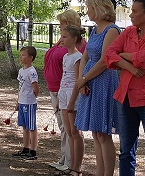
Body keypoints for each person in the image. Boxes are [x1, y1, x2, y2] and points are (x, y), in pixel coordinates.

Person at [105, 0, 145, 176]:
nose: (131, 14)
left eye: (134, 11)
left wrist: (124, 55)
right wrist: (130, 67)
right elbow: (109, 54)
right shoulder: (128, 32)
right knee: (126, 150)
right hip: (125, 97)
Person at [73, 0, 120, 176]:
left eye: (90, 8)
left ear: (100, 8)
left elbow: (104, 61)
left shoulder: (112, 30)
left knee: (103, 133)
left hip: (104, 80)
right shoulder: (95, 30)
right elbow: (85, 56)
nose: (87, 11)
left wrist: (83, 79)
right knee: (95, 132)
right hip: (89, 78)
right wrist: (81, 80)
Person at [46, 9, 87, 172]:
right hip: (59, 89)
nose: (60, 27)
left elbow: (78, 74)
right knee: (64, 128)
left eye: (63, 23)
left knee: (71, 129)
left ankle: (72, 163)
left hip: (69, 92)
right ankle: (65, 158)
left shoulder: (78, 48)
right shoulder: (63, 43)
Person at [57, 25, 85, 176]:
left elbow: (77, 80)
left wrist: (72, 101)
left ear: (74, 39)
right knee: (69, 132)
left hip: (72, 95)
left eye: (65, 36)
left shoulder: (77, 57)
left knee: (75, 132)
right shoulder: (65, 56)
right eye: (62, 36)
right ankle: (71, 165)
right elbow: (65, 77)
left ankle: (77, 167)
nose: (62, 39)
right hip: (63, 93)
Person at [11, 46, 40, 160]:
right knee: (24, 126)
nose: (21, 57)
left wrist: (32, 98)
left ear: (30, 58)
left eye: (23, 55)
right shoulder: (21, 71)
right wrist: (18, 101)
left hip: (29, 103)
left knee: (32, 126)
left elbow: (36, 87)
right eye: (20, 55)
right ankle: (25, 148)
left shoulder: (32, 72)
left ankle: (33, 151)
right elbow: (21, 87)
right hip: (22, 101)